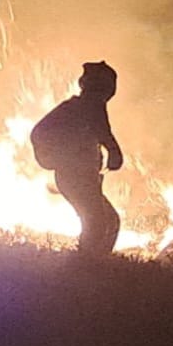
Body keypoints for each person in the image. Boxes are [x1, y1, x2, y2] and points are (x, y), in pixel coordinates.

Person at [30, 61, 123, 259]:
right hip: (75, 177)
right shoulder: (90, 106)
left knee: (108, 220)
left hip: (79, 176)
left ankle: (97, 261)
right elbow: (104, 133)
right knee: (98, 222)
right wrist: (114, 153)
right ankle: (86, 264)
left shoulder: (78, 108)